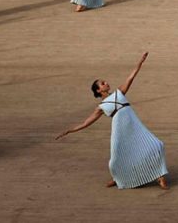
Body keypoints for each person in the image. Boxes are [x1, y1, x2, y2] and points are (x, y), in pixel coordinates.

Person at [55, 52, 169, 190]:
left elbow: (131, 78)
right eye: (103, 83)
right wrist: (69, 130)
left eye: (105, 81)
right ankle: (118, 178)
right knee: (115, 160)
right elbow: (86, 122)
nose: (106, 83)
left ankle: (160, 177)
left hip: (134, 126)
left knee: (157, 146)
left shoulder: (119, 93)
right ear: (99, 90)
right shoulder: (101, 107)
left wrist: (140, 63)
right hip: (119, 131)